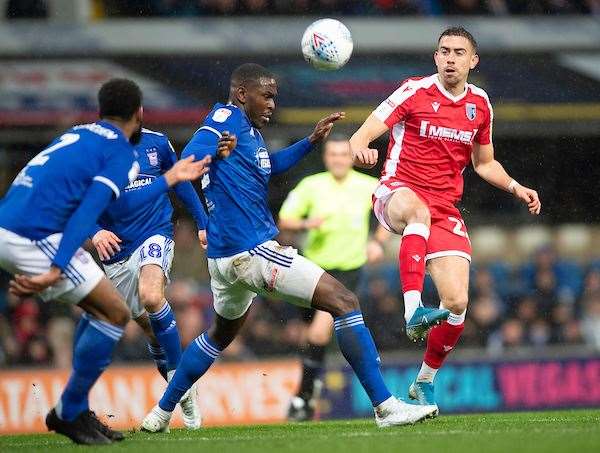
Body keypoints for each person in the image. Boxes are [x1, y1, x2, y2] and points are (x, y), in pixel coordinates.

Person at [141, 63, 438, 433]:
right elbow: (191, 158)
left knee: (220, 334)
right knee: (345, 302)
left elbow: (270, 166)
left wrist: (310, 141)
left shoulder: (247, 131)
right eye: (265, 96)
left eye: (275, 97)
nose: (271, 104)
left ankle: (160, 413)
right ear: (241, 94)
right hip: (252, 251)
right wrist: (209, 159)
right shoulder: (224, 119)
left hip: (224, 258)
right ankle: (385, 406)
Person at [0, 79, 209, 444]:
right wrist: (55, 267)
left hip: (16, 223)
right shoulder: (119, 152)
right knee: (114, 314)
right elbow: (104, 209)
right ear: (138, 113)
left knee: (109, 309)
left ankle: (75, 411)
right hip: (33, 235)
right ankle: (70, 412)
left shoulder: (80, 136)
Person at [350, 26, 541, 416]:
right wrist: (361, 149)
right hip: (397, 191)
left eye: (458, 52)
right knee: (416, 210)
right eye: (443, 51)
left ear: (473, 61)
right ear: (435, 57)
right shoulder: (413, 91)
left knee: (457, 302)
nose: (450, 59)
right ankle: (412, 310)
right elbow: (360, 137)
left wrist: (516, 187)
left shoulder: (480, 104)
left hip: (445, 208)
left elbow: (484, 163)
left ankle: (424, 382)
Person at [90, 127, 217, 429]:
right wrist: (95, 232)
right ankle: (184, 389)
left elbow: (181, 183)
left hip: (155, 232)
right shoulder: (92, 148)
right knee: (149, 328)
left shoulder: (158, 141)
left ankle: (175, 389)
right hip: (116, 249)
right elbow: (77, 200)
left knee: (151, 296)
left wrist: (202, 222)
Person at [278, 136, 390, 421]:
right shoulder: (311, 186)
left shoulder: (367, 186)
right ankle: (311, 388)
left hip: (347, 271)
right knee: (310, 337)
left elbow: (390, 214)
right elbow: (285, 219)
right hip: (312, 269)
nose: (339, 159)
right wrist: (306, 223)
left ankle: (302, 401)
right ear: (326, 157)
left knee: (318, 332)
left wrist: (378, 241)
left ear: (351, 157)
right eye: (334, 154)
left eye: (344, 154)